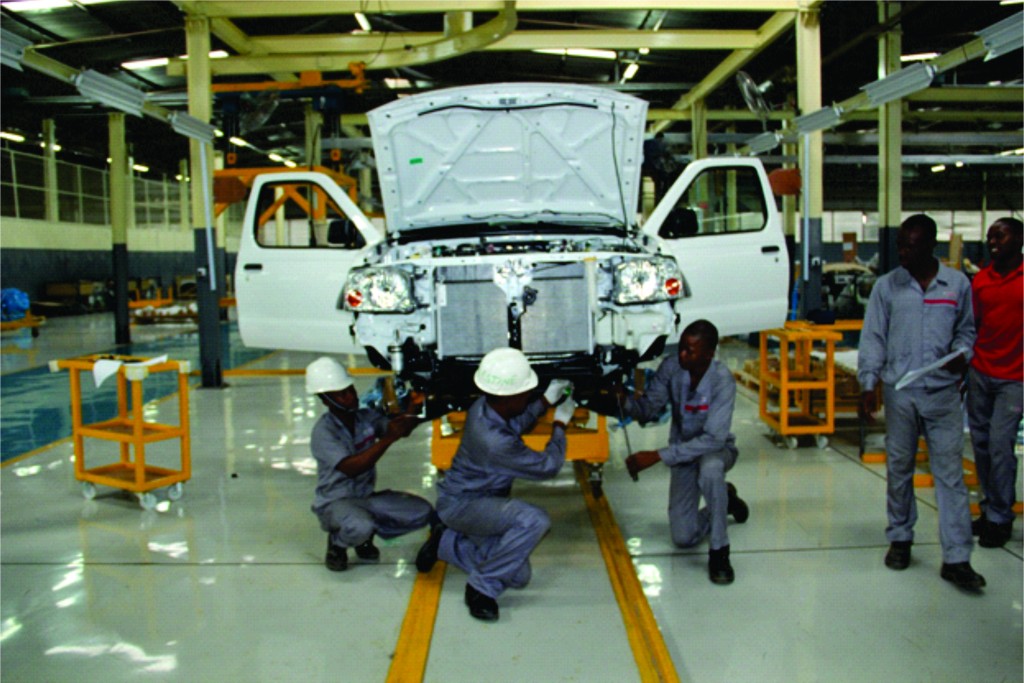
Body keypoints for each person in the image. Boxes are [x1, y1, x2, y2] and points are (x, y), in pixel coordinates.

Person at [858, 214, 985, 590]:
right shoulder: (887, 287)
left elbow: (967, 330)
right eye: (900, 244)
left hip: (943, 394)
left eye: (910, 246)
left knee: (950, 475)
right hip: (901, 393)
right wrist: (868, 383)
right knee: (899, 468)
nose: (902, 252)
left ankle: (957, 558)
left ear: (931, 246)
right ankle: (900, 539)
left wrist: (963, 353)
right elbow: (874, 337)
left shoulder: (957, 285)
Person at [414, 347, 575, 622]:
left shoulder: (484, 407)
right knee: (534, 520)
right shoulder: (494, 442)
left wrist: (545, 401)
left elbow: (516, 423)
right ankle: (481, 588)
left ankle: (445, 542)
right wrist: (560, 425)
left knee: (519, 576)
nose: (529, 395)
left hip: (481, 502)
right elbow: (547, 467)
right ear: (510, 397)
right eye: (526, 392)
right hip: (464, 505)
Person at [620, 319, 750, 585]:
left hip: (717, 450)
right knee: (683, 537)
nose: (681, 354)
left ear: (709, 354)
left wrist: (657, 455)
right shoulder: (672, 368)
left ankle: (720, 551)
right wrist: (623, 399)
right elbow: (648, 409)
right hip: (684, 454)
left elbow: (714, 439)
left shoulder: (722, 380)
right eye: (681, 347)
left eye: (689, 351)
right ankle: (725, 499)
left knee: (710, 469)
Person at [306, 356, 434, 572]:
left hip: (365, 498)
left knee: (422, 511)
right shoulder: (324, 432)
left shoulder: (365, 417)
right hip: (335, 503)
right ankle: (338, 544)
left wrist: (413, 406)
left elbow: (398, 429)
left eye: (350, 390)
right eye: (342, 394)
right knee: (360, 524)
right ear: (326, 400)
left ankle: (364, 534)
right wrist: (387, 440)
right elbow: (352, 467)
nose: (351, 396)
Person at [968, 217, 1023, 549]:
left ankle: (1001, 517)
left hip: (1015, 379)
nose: (993, 242)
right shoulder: (981, 280)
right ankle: (989, 509)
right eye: (990, 237)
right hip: (980, 373)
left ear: (1019, 239)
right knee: (982, 445)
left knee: (1001, 446)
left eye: (1000, 236)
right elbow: (972, 325)